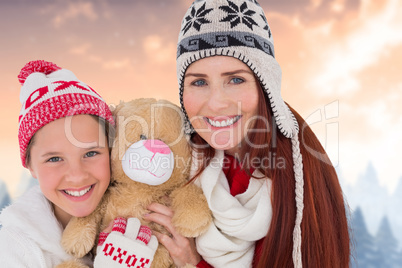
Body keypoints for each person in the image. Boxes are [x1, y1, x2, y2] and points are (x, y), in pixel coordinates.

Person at [169, 0, 350, 267]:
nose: (217, 103)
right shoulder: (177, 162)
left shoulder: (301, 176)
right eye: (199, 82)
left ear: (265, 85)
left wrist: (193, 262)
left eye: (236, 79)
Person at [0, 60, 157, 267]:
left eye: (91, 153)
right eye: (54, 159)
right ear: (30, 165)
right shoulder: (13, 251)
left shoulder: (145, 215)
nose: (77, 175)